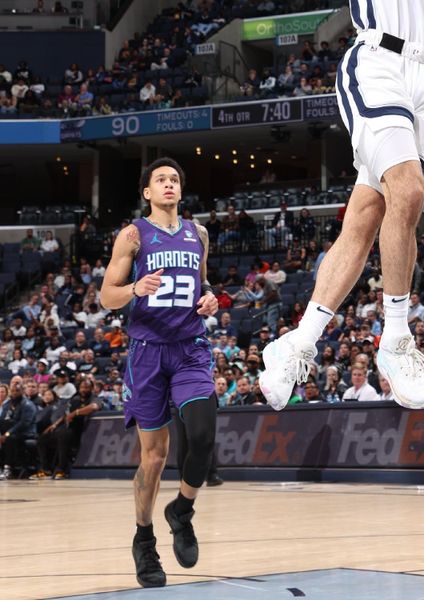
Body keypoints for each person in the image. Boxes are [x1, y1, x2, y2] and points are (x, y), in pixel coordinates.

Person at [260, 1, 424, 412]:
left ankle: (296, 343)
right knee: (409, 189)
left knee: (365, 219)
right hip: (380, 62)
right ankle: (397, 339)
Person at [99, 158, 220, 588]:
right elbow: (106, 297)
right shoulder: (132, 236)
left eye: (174, 180)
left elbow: (202, 284)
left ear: (180, 192)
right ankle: (144, 537)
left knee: (203, 435)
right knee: (153, 459)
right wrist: (134, 288)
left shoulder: (198, 234)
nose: (169, 184)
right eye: (160, 180)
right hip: (148, 353)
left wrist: (210, 300)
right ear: (147, 192)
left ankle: (182, 510)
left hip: (190, 349)